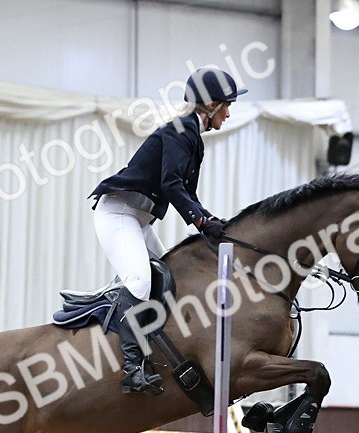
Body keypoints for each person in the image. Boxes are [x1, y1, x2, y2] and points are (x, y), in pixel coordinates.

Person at [90, 67, 246, 395]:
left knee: (171, 279)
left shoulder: (193, 136)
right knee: (141, 280)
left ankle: (155, 351)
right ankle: (131, 367)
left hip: (138, 218)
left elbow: (186, 192)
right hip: (118, 213)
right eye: (226, 105)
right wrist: (201, 221)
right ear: (209, 105)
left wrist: (208, 218)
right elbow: (171, 184)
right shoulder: (180, 131)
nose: (229, 113)